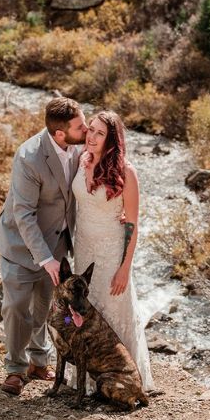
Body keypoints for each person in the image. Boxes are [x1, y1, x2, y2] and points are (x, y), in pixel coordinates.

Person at [0, 96, 86, 396]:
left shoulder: (77, 149)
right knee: (17, 309)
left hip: (57, 245)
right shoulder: (29, 157)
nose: (86, 128)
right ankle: (15, 370)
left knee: (44, 307)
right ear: (60, 134)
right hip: (21, 244)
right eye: (80, 125)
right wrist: (45, 258)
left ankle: (38, 362)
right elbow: (24, 214)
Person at [71, 109, 154, 392]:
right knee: (85, 311)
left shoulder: (126, 172)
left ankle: (124, 381)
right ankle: (90, 380)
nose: (91, 137)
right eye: (90, 130)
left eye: (99, 133)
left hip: (110, 251)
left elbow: (132, 224)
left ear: (112, 140)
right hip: (83, 248)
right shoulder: (81, 161)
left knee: (112, 313)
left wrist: (124, 268)